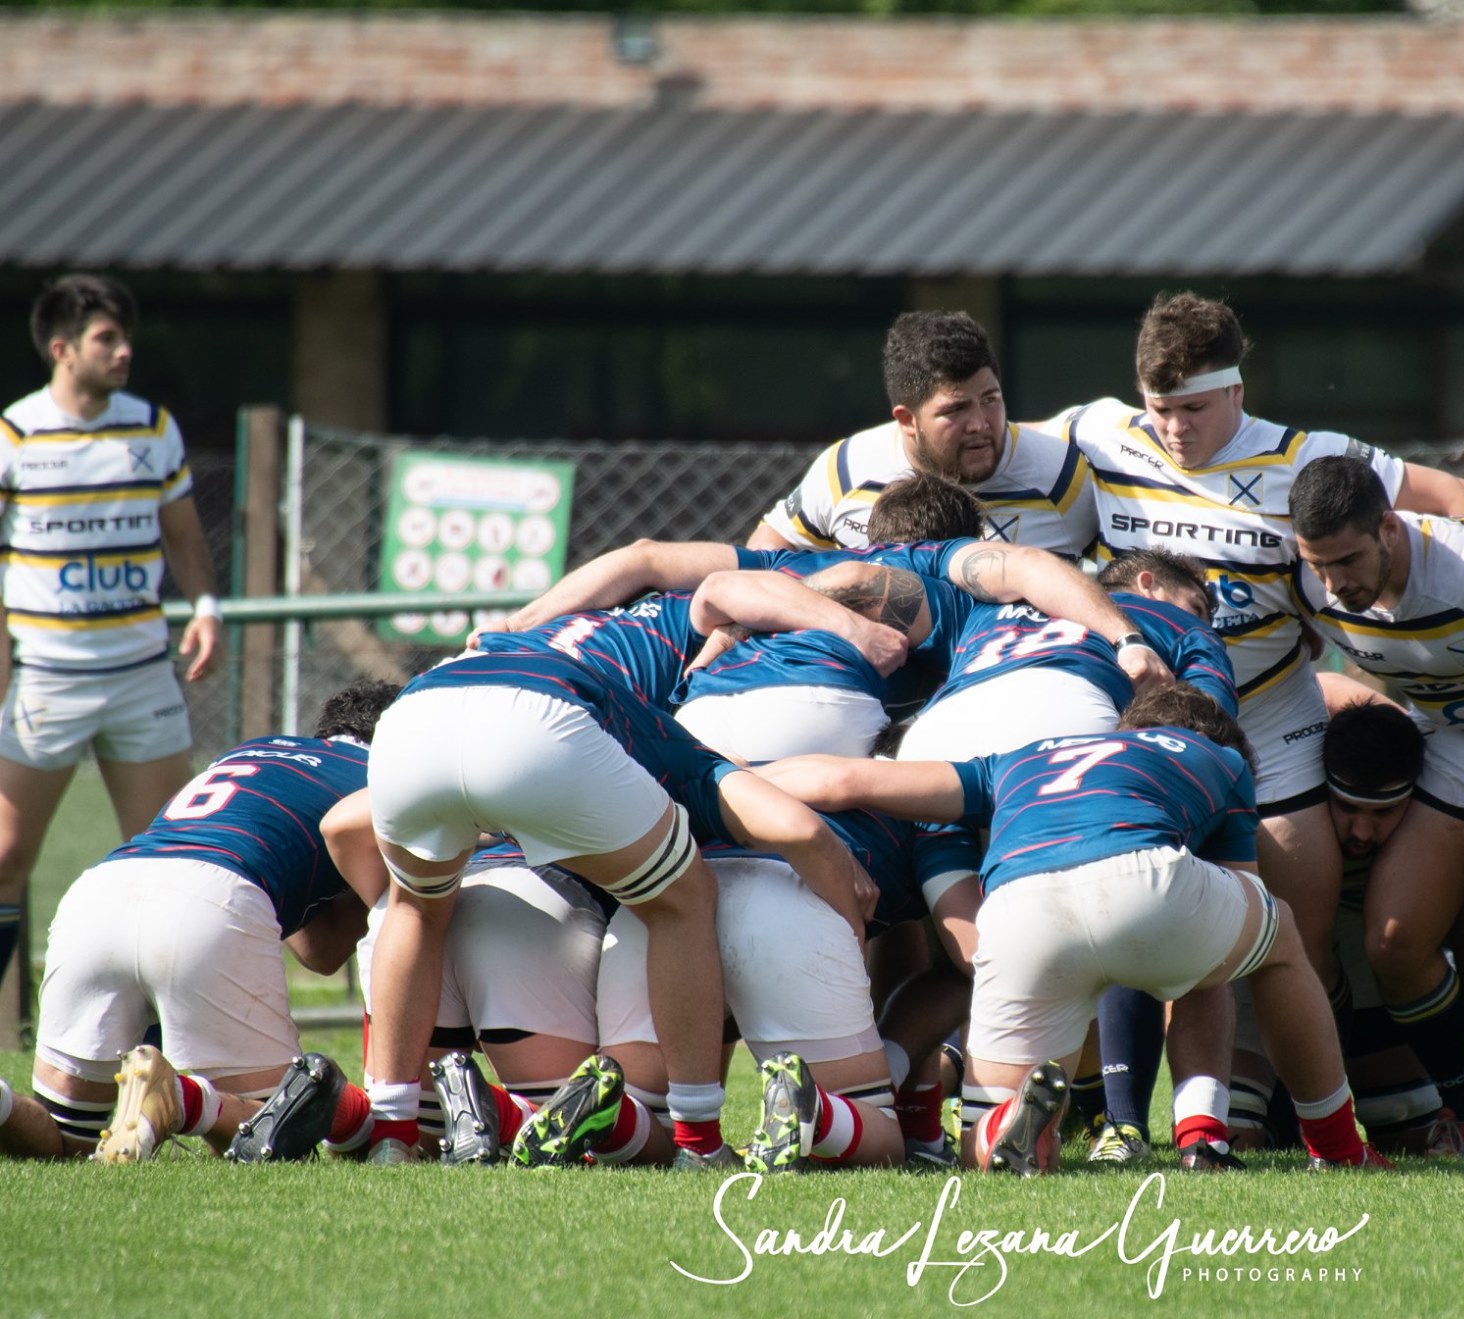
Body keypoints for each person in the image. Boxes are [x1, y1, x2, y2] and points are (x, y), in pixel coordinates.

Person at [1047, 292, 1464, 1161]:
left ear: (1236, 388)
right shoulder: (1097, 433)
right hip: (1150, 721)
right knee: (1132, 903)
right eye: (1159, 408)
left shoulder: (1309, 457)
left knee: (1290, 927)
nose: (1173, 427)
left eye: (1193, 406)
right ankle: (1131, 1117)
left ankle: (1302, 1103)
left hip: (1273, 721)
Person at [325, 576, 885, 1167]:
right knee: (684, 896)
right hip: (539, 721)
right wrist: (856, 933)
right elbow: (800, 830)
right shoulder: (658, 723)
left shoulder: (546, 645)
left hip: (414, 711)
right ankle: (700, 1142)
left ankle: (391, 1132)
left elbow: (340, 825)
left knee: (414, 909)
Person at [759, 684, 1387, 1175]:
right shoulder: (1219, 756)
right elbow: (1234, 899)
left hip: (1015, 908)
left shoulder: (1020, 760)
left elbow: (845, 779)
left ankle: (949, 1122)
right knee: (1265, 942)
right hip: (1143, 880)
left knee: (985, 1128)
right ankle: (1319, 1145)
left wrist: (721, 780)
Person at [0, 681, 397, 1162]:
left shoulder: (260, 748)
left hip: (100, 891)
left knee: (62, 1142)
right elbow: (325, 953)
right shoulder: (384, 776)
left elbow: (316, 948)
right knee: (284, 1124)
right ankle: (184, 1102)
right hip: (211, 901)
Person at [1289, 454, 1464, 1154]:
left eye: (1347, 559)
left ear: (1390, 528)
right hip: (1452, 743)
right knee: (1396, 941)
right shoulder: (1305, 584)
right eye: (1320, 565)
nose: (1335, 582)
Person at [0, 274, 223, 1036]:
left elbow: (185, 534)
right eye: (106, 338)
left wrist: (205, 607)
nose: (124, 350)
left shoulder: (151, 427)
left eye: (126, 337)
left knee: (169, 860)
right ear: (61, 349)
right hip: (46, 680)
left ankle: (161, 1044)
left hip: (139, 678)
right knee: (2, 856)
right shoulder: (16, 433)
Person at [750, 311, 1095, 556]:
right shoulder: (846, 469)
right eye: (955, 410)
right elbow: (767, 552)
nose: (980, 423)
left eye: (990, 399)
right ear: (906, 420)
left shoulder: (1063, 476)